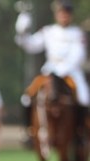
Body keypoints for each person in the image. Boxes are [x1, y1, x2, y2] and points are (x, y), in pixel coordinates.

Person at [14, 0, 88, 137]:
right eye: (61, 13)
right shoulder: (48, 31)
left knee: (84, 98)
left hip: (71, 71)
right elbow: (31, 45)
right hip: (50, 70)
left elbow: (79, 55)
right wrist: (23, 32)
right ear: (56, 15)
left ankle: (81, 132)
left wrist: (61, 70)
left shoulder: (77, 33)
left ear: (70, 15)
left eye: (66, 13)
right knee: (27, 96)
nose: (63, 16)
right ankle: (28, 130)